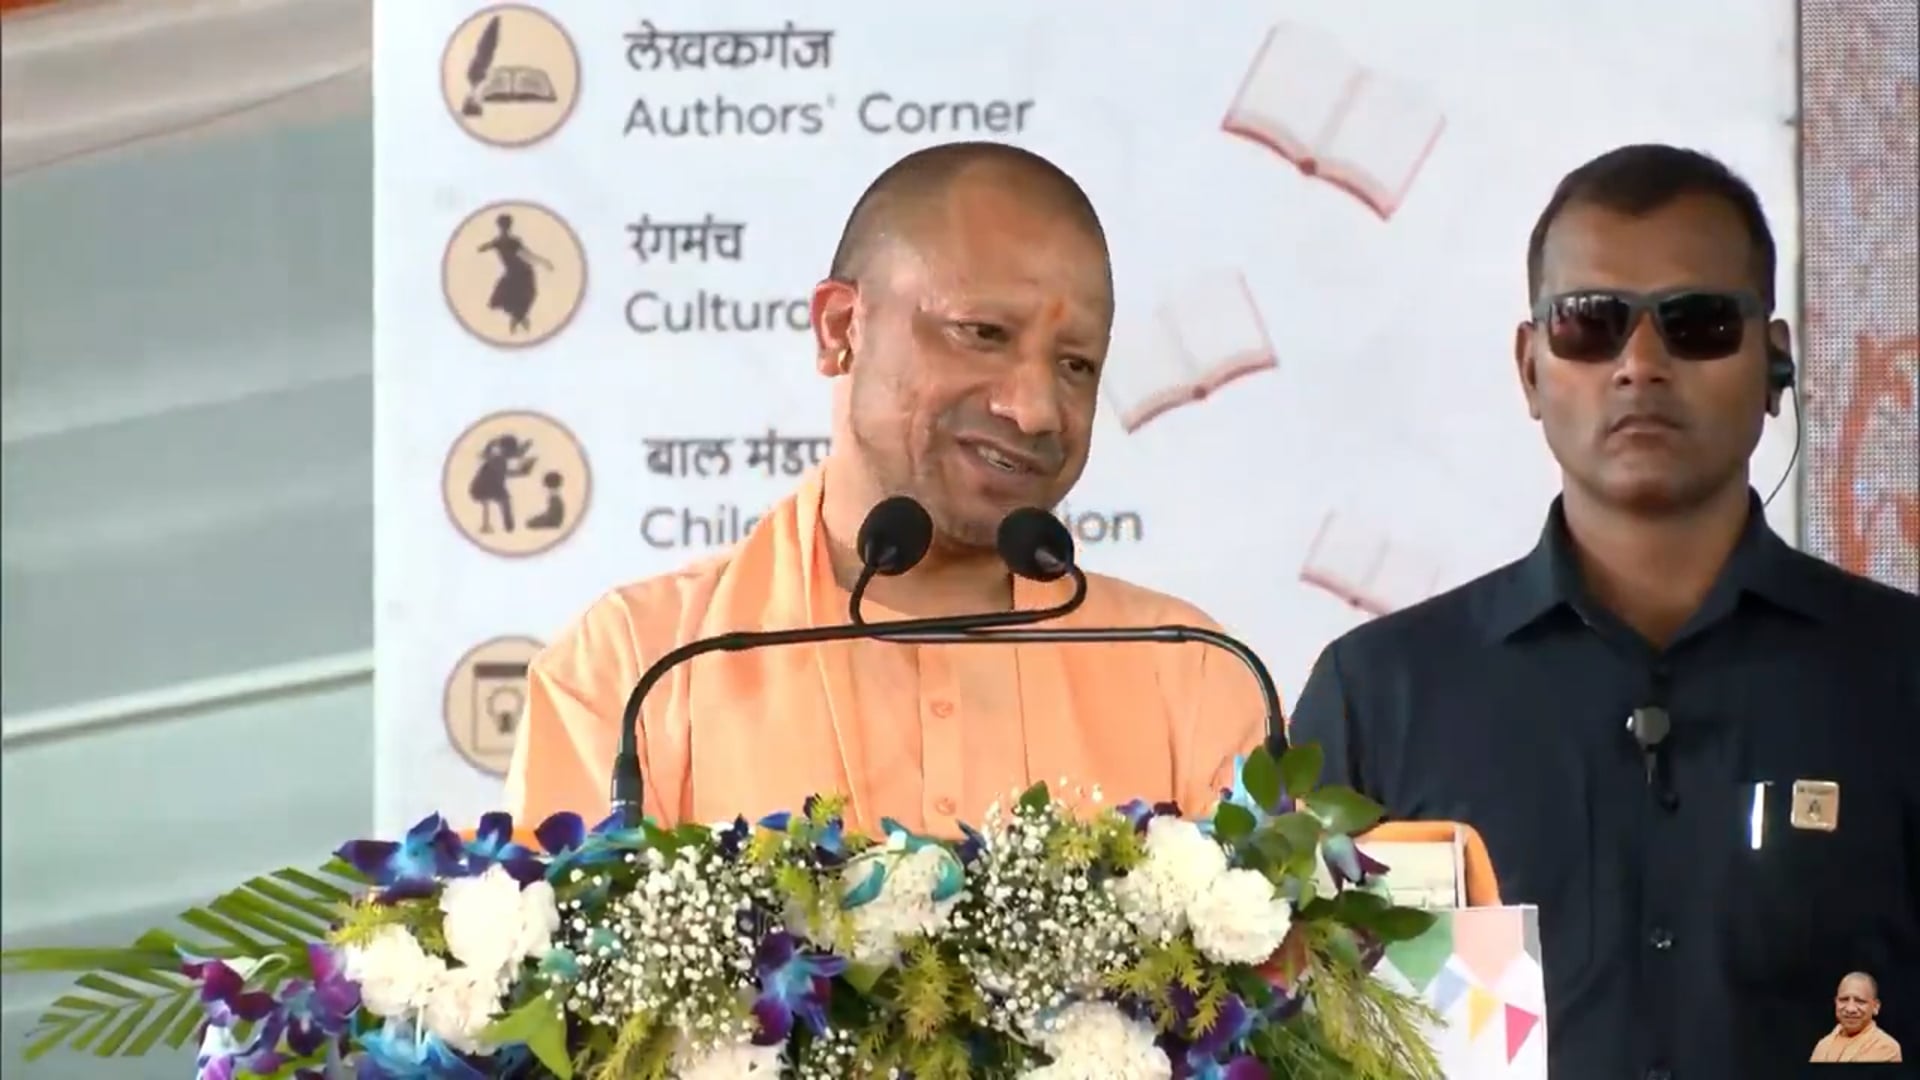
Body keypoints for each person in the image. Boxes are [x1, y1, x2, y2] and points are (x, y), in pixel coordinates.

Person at [1287, 143, 1920, 1080]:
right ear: (1530, 367)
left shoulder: (1900, 676)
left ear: (1775, 363)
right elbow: (1296, 1037)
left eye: (1697, 323)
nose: (1640, 364)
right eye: (1590, 323)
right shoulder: (1380, 696)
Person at [505, 141, 1265, 836]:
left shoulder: (1190, 672)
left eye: (1076, 365)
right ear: (842, 328)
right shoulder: (639, 669)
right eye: (983, 333)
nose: (1035, 409)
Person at [1812, 972, 1903, 1063]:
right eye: (1844, 1000)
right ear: (1836, 1002)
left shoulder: (1886, 1047)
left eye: (1860, 1001)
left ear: (1875, 1007)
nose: (1850, 1009)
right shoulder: (1823, 1045)